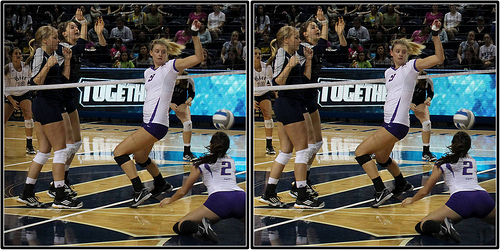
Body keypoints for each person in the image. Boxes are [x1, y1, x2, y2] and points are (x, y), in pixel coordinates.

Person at [112, 20, 204, 208]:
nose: (160, 54)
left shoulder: (171, 67)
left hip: (156, 124)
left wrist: (194, 34)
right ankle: (161, 183)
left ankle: (139, 190)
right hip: (150, 123)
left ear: (167, 54)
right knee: (140, 158)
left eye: (163, 51)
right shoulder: (148, 72)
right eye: (157, 51)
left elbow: (198, 58)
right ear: (151, 53)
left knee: (119, 153)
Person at [353, 19, 445, 208]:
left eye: (404, 51)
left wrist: (435, 34)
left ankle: (380, 190)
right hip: (390, 123)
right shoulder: (388, 72)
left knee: (360, 152)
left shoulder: (411, 68)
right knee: (381, 158)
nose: (401, 54)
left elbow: (439, 58)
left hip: (397, 124)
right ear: (391, 53)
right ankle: (402, 183)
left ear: (408, 54)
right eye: (398, 51)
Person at [17, 25, 83, 209]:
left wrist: (67, 61)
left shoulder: (54, 56)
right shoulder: (40, 53)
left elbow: (64, 81)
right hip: (46, 104)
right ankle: (60, 196)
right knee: (61, 150)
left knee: (44, 151)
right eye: (54, 38)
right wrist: (48, 65)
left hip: (50, 103)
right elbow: (35, 82)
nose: (57, 41)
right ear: (45, 40)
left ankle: (27, 192)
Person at [259, 25, 324, 209]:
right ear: (286, 40)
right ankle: (302, 195)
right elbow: (277, 82)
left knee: (286, 151)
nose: (298, 41)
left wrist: (308, 60)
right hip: (288, 104)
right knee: (303, 149)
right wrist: (289, 65)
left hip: (292, 103)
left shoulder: (294, 56)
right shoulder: (282, 54)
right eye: (295, 38)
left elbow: (306, 82)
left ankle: (269, 192)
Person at [46, 10, 107, 199]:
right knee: (68, 144)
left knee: (77, 142)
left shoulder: (75, 48)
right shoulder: (62, 48)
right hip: (58, 99)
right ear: (63, 34)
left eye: (76, 27)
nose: (75, 30)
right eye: (72, 27)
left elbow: (103, 53)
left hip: (70, 99)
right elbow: (80, 45)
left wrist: (98, 34)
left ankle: (63, 180)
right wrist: (83, 24)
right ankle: (57, 184)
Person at [402, 131, 495, 243]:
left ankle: (443, 228)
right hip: (483, 198)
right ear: (468, 147)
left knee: (422, 225)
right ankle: (447, 225)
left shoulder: (443, 163)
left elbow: (425, 190)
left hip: (461, 201)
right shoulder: (472, 161)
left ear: (452, 144)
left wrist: (412, 199)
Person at [292, 11, 347, 198]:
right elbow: (322, 46)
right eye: (312, 27)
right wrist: (324, 24)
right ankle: (297, 185)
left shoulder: (317, 48)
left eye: (317, 27)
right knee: (306, 145)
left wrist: (339, 34)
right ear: (304, 34)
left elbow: (342, 54)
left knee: (317, 143)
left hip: (311, 98)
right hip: (299, 98)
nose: (316, 29)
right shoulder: (302, 48)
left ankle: (304, 180)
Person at [159, 132, 245, 243]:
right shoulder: (231, 161)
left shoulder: (201, 163)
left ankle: (200, 228)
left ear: (210, 144)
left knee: (179, 226)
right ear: (227, 148)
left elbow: (184, 190)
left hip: (219, 200)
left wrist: (170, 199)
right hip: (242, 198)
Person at [4, 47, 36, 154]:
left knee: (28, 115)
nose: (19, 55)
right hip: (10, 95)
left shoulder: (26, 66)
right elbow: (4, 88)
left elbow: (31, 78)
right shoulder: (7, 69)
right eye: (16, 53)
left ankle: (29, 145)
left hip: (24, 93)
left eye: (20, 53)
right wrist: (12, 101)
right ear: (11, 56)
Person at [170, 69, 198, 161]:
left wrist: (189, 100)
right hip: (165, 101)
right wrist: (170, 104)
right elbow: (160, 94)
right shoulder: (168, 76)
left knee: (188, 123)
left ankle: (187, 152)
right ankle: (142, 149)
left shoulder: (188, 79)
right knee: (155, 125)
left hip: (181, 102)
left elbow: (192, 93)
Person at [411, 71, 437, 161]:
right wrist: (409, 103)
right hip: (404, 102)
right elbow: (400, 93)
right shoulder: (408, 77)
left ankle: (426, 152)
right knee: (395, 126)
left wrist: (428, 100)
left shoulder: (427, 80)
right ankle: (380, 149)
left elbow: (430, 93)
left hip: (419, 102)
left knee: (427, 123)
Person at [253, 48, 275, 155]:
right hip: (250, 94)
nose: (258, 55)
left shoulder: (267, 67)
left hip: (263, 93)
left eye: (259, 53)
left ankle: (269, 145)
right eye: (255, 54)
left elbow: (270, 83)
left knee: (268, 116)